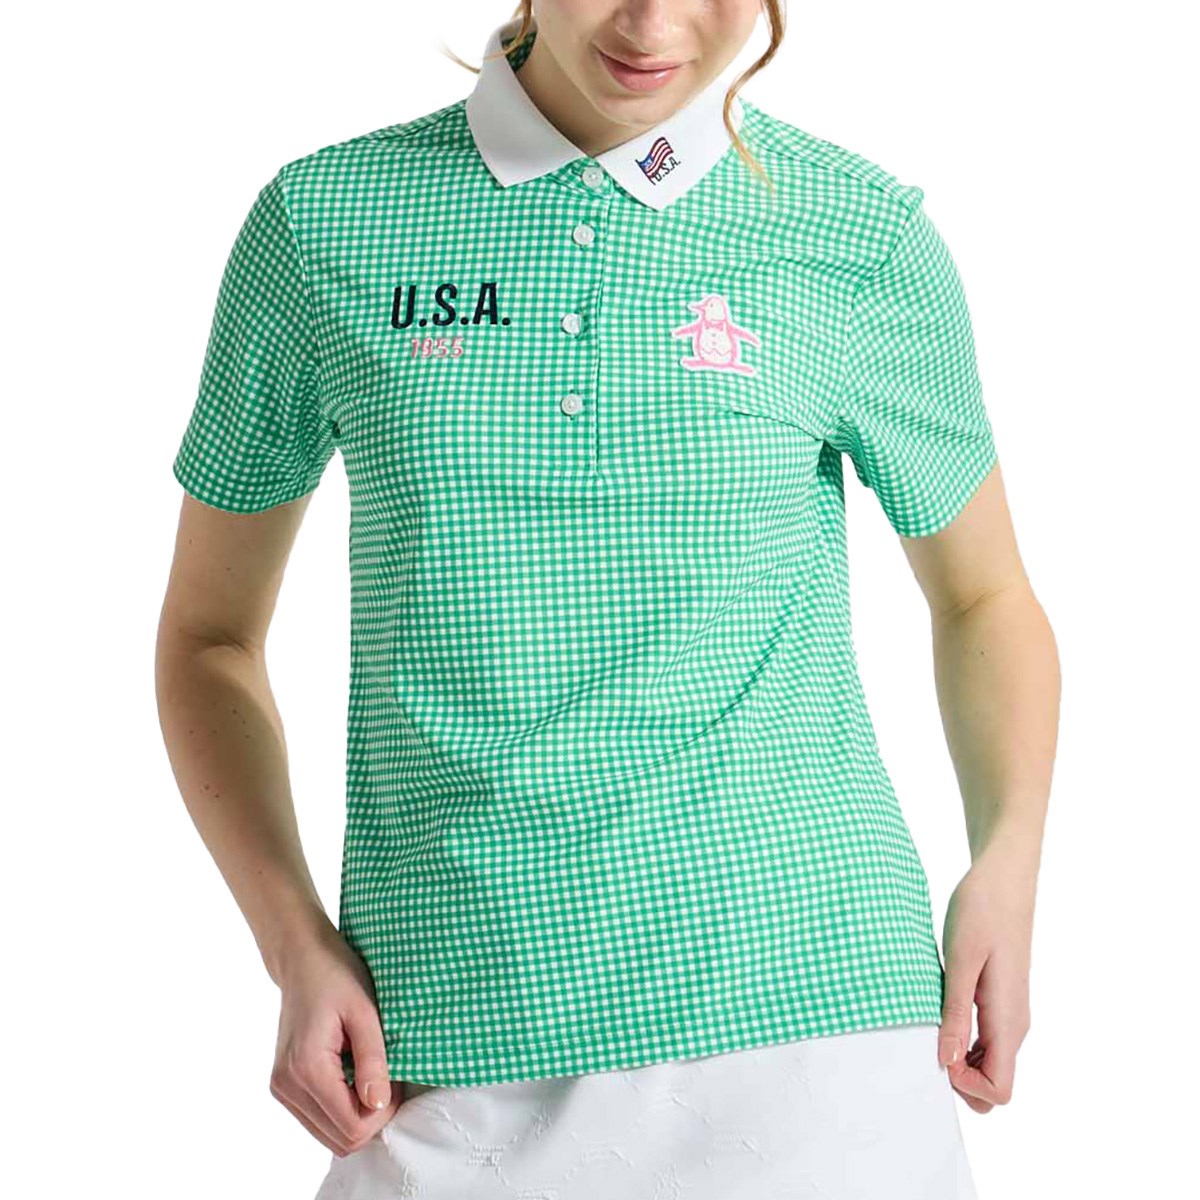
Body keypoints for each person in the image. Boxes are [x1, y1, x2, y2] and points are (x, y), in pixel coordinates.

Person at [155, 2, 1059, 1197]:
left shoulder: (857, 233)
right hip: (447, 1029)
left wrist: (1006, 863)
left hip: (819, 1026)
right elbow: (210, 636)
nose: (653, 23)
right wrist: (292, 943)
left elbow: (984, 593)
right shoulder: (326, 220)